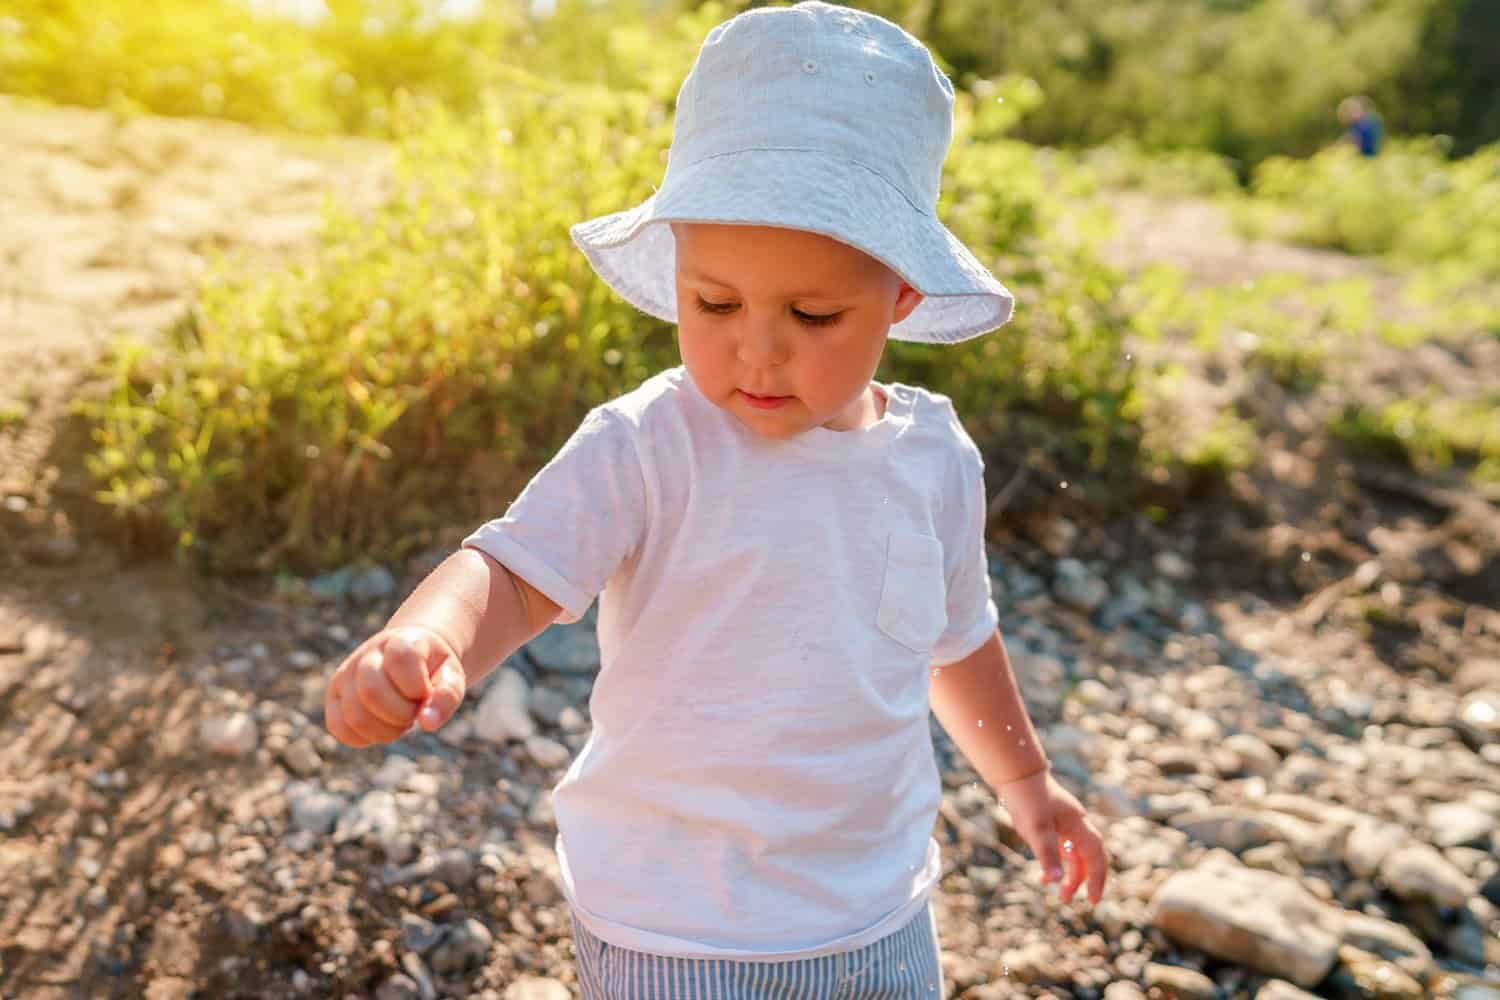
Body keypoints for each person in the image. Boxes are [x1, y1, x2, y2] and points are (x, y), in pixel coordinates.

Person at [324, 3, 1109, 996]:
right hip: (671, 924)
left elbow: (956, 639)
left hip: (876, 912)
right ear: (679, 272)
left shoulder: (933, 458)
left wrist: (1026, 784)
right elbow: (516, 574)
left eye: (813, 313)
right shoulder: (650, 442)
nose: (757, 349)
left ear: (903, 293)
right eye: (715, 302)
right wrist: (428, 638)